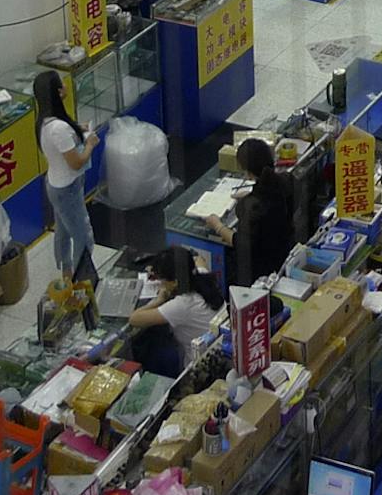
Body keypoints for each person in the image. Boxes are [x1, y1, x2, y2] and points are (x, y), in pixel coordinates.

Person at [208, 137, 298, 288]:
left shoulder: (252, 207)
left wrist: (218, 226)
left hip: (261, 271)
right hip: (284, 251)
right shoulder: (287, 180)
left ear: (248, 172)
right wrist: (251, 194)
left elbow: (241, 243)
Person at [34, 71, 97, 281]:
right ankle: (81, 279)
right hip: (67, 189)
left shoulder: (45, 121)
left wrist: (77, 129)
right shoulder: (59, 129)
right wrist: (90, 144)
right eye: (62, 83)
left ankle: (67, 272)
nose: (66, 86)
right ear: (58, 92)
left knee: (63, 229)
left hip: (56, 183)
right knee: (83, 236)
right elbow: (76, 162)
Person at [127, 248, 225, 370]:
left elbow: (134, 319)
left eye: (161, 279)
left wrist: (159, 300)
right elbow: (198, 259)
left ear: (175, 283)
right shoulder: (201, 275)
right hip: (219, 350)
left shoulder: (183, 304)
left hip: (199, 365)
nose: (160, 283)